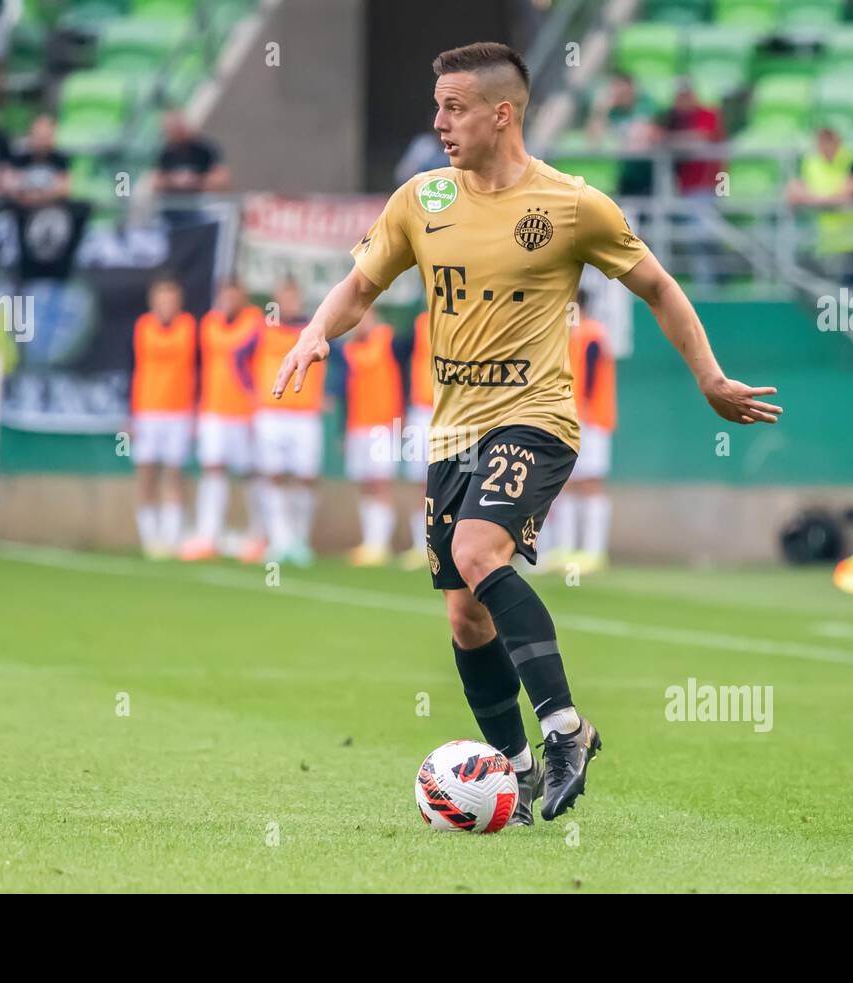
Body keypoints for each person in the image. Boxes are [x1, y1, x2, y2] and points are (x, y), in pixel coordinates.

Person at [271, 43, 780, 825]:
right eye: (438, 106)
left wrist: (710, 377)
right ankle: (510, 770)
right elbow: (361, 284)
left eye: (455, 108)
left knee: (478, 553)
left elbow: (657, 285)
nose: (439, 123)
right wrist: (316, 331)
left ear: (502, 113)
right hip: (450, 437)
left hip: (537, 419)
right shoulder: (421, 199)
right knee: (464, 613)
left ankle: (566, 731)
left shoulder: (573, 206)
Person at [181, 277, 267, 563]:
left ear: (244, 296)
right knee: (213, 469)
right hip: (212, 410)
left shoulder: (256, 321)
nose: (229, 299)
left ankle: (260, 534)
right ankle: (209, 535)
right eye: (225, 294)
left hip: (245, 412)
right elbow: (199, 366)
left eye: (235, 294)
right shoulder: (209, 324)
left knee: (250, 472)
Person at [253, 279, 326, 567]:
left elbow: (340, 360)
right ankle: (279, 540)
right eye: (284, 297)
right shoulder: (262, 329)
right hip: (271, 413)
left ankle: (300, 539)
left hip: (305, 415)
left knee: (306, 476)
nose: (289, 303)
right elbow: (237, 358)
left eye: (294, 297)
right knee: (273, 475)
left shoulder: (314, 330)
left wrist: (329, 392)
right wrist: (250, 391)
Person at [544, 291, 616, 574]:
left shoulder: (593, 334)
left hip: (592, 420)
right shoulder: (569, 335)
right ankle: (566, 548)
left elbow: (589, 377)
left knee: (591, 482)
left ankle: (594, 551)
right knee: (566, 483)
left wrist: (582, 409)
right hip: (569, 419)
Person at [130, 275, 196, 558]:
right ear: (153, 300)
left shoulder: (189, 327)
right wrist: (130, 414)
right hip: (146, 411)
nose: (166, 303)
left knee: (173, 473)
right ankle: (149, 537)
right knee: (146, 474)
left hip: (179, 412)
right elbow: (130, 368)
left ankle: (171, 538)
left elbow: (200, 370)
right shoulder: (142, 327)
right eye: (161, 297)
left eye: (171, 298)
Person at [339, 308, 402, 567]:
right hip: (357, 425)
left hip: (383, 425)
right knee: (365, 483)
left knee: (380, 483)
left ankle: (380, 543)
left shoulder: (388, 341)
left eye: (367, 316)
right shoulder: (348, 350)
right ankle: (369, 542)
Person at [654, 80, 724, 288]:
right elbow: (652, 137)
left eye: (685, 95)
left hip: (707, 185)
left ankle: (710, 286)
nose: (682, 101)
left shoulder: (707, 114)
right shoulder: (673, 119)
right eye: (679, 96)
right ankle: (701, 283)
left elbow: (700, 140)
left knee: (702, 236)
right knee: (679, 235)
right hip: (680, 188)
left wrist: (669, 140)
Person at [785, 126, 853, 288]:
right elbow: (793, 192)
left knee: (850, 296)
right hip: (826, 244)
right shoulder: (811, 163)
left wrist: (813, 200)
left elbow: (848, 193)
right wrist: (826, 201)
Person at [398, 308, 433, 570]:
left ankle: (452, 547)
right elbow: (397, 363)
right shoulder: (420, 324)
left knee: (460, 481)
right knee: (418, 480)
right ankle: (420, 547)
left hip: (459, 412)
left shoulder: (473, 320)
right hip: (420, 411)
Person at [153, 110, 230, 195]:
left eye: (179, 128)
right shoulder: (166, 153)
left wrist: (195, 181)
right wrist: (173, 181)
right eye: (172, 130)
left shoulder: (205, 148)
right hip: (175, 200)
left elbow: (221, 177)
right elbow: (157, 181)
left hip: (203, 198)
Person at [4, 114, 70, 207]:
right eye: (37, 134)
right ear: (30, 134)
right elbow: (7, 184)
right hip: (19, 211)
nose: (41, 140)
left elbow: (65, 188)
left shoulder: (62, 159)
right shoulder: (18, 156)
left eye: (45, 135)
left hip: (51, 211)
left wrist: (35, 197)